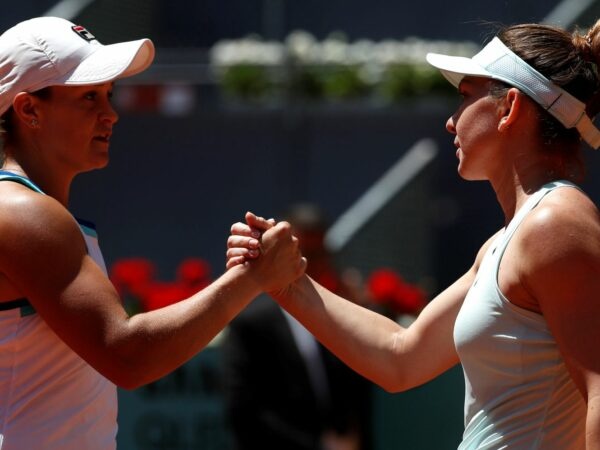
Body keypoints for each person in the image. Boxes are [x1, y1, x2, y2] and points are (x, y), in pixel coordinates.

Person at [227, 21, 600, 449]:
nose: (449, 121)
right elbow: (399, 356)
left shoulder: (555, 224)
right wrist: (287, 282)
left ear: (508, 107)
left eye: (464, 97)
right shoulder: (509, 240)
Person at [0, 16, 306, 450]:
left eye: (108, 94)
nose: (111, 114)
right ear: (29, 109)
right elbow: (127, 356)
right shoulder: (22, 212)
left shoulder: (33, 212)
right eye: (88, 97)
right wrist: (251, 279)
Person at [221, 203, 372, 450]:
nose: (310, 264)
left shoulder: (337, 314)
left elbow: (357, 397)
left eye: (319, 254)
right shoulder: (250, 324)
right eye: (303, 253)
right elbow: (244, 411)